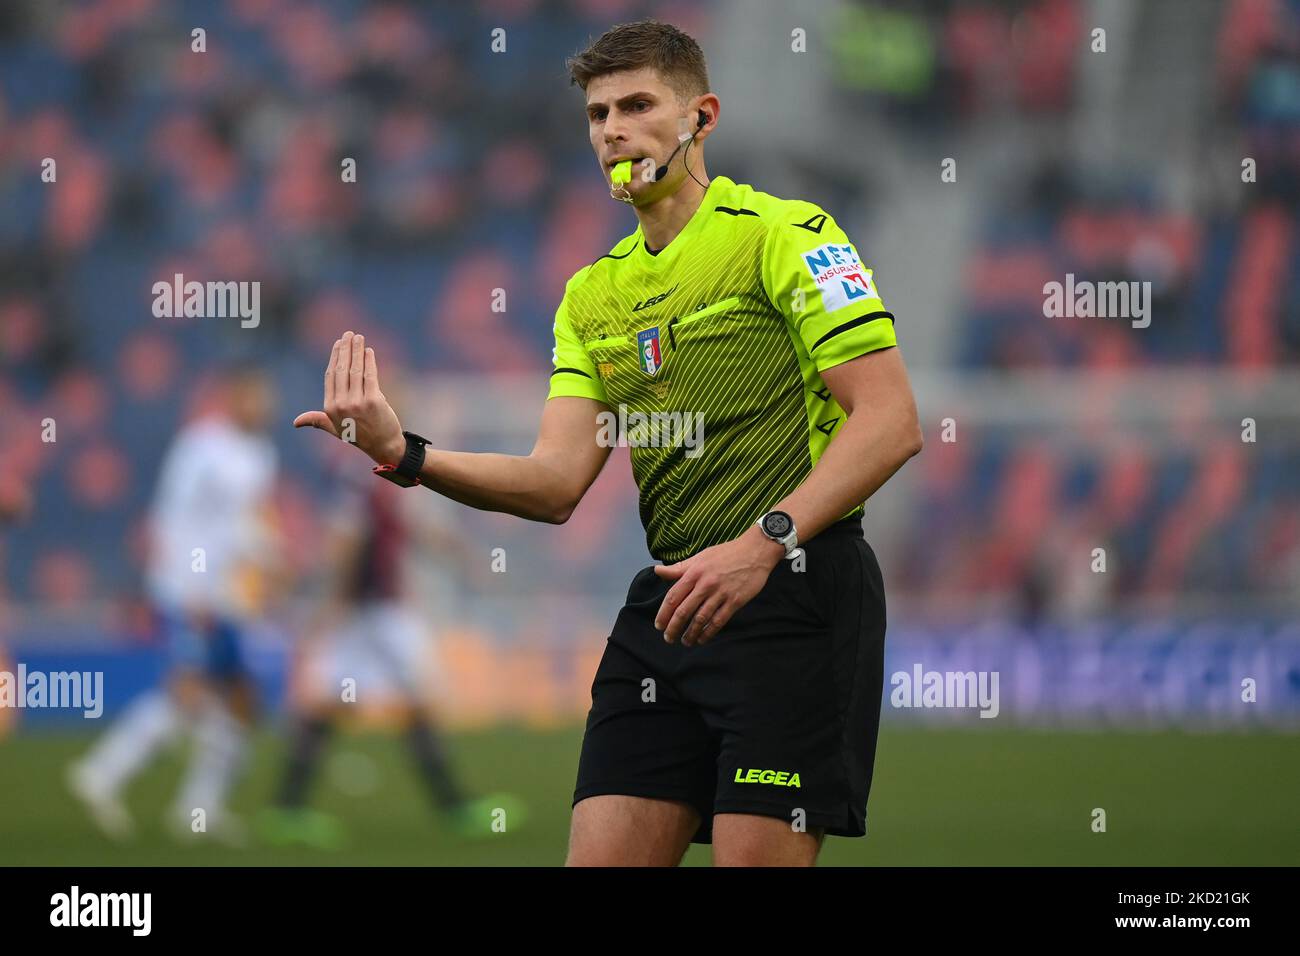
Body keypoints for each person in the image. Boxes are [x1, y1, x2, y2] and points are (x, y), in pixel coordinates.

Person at [293, 19, 922, 866]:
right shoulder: (591, 296)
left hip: (796, 590)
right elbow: (555, 484)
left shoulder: (788, 235)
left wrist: (764, 543)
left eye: (636, 105)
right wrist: (406, 453)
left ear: (701, 116)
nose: (613, 131)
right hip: (670, 604)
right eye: (597, 115)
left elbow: (889, 420)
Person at [69, 362, 282, 844]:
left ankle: (196, 808)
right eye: (255, 396)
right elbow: (171, 518)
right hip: (189, 590)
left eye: (267, 398)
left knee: (241, 702)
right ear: (233, 397)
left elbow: (244, 525)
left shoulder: (261, 454)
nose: (264, 407)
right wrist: (190, 593)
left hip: (226, 595)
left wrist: (270, 560)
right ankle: (104, 773)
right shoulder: (200, 446)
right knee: (189, 693)